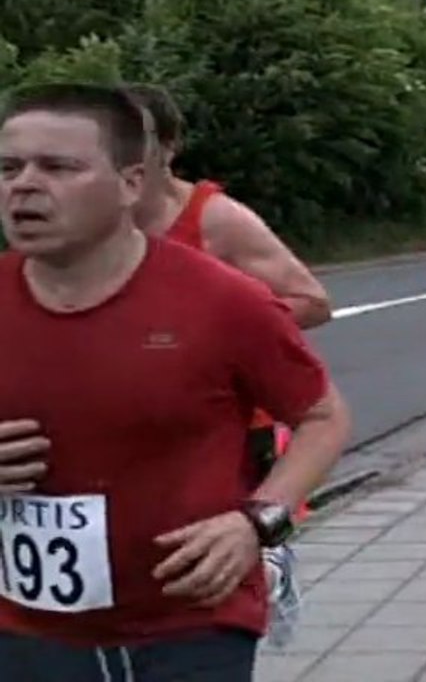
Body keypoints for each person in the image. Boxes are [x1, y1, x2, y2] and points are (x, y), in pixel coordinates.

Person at [0, 82, 350, 680]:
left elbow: (324, 418)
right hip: (26, 630)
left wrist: (259, 521)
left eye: (59, 167)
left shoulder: (224, 301)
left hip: (189, 624)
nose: (24, 185)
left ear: (131, 184)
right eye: (9, 167)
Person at [124, 83, 331, 647]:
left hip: (233, 423)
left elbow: (312, 302)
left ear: (168, 147)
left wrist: (202, 331)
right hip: (135, 418)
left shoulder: (214, 218)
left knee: (204, 575)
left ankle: (266, 571)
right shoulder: (95, 220)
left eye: (135, 137)